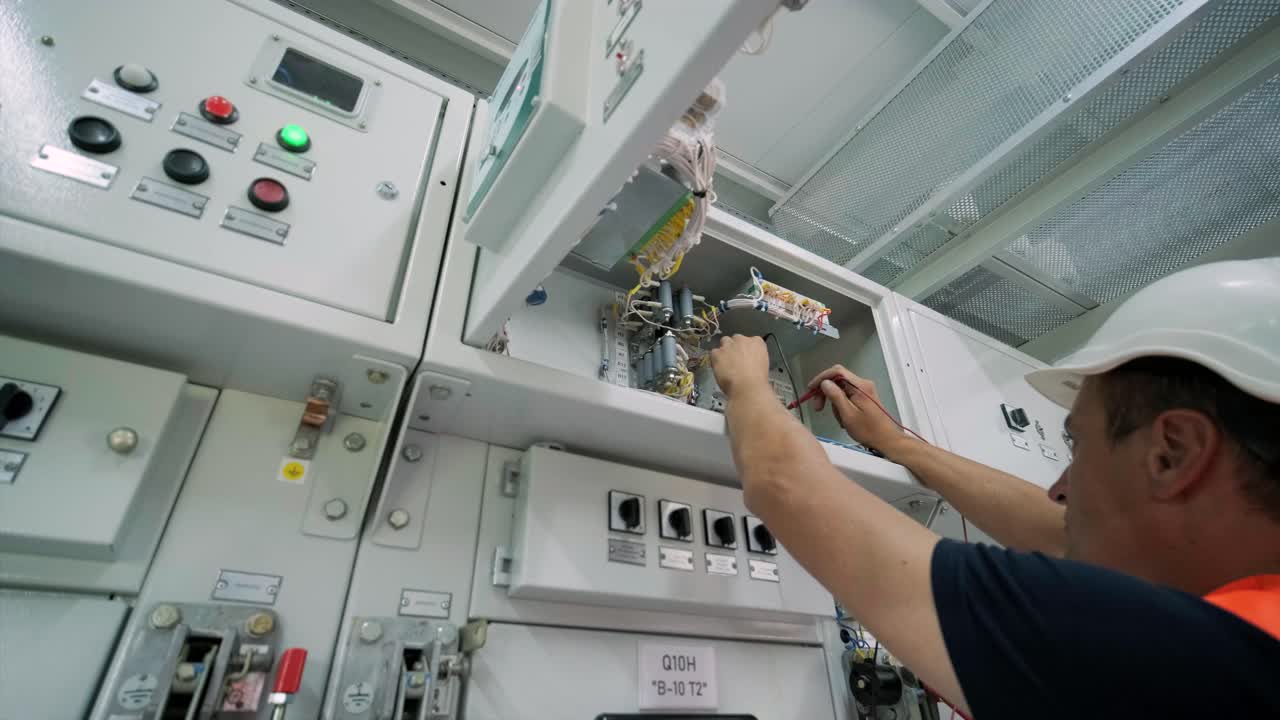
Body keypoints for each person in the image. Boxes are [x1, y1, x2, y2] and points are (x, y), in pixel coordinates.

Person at [708, 258, 1280, 718]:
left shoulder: (1188, 656)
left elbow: (784, 484)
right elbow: (1059, 531)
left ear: (1172, 453)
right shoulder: (1249, 618)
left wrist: (747, 385)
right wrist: (900, 445)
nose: (1059, 488)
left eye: (1076, 448)